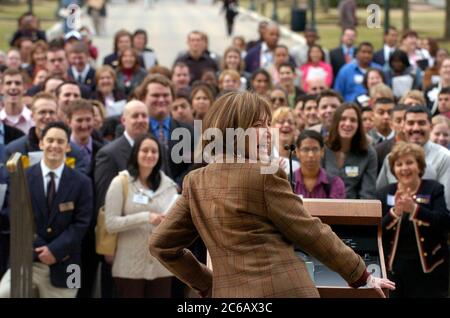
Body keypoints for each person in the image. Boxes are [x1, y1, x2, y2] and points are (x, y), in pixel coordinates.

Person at [148, 91, 395, 298]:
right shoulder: (264, 174)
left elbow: (161, 245)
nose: (268, 132)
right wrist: (361, 274)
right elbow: (310, 231)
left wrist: (208, 283)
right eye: (258, 125)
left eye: (268, 124)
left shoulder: (194, 181)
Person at [0, 121, 92, 298]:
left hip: (68, 264)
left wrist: (55, 250)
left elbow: (82, 224)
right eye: (50, 140)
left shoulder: (82, 182)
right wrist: (41, 247)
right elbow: (16, 217)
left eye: (60, 141)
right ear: (41, 143)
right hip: (27, 260)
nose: (54, 146)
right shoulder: (21, 177)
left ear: (67, 147)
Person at [105, 133, 178, 298]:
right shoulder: (121, 182)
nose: (150, 155)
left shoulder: (170, 186)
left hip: (161, 267)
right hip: (129, 266)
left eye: (154, 151)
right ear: (136, 153)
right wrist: (146, 217)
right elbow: (110, 223)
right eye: (145, 150)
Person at [377, 142, 450, 298]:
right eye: (399, 164)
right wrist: (396, 212)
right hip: (394, 270)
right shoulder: (385, 192)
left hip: (430, 269)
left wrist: (415, 210)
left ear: (420, 166)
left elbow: (444, 221)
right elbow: (378, 231)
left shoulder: (434, 188)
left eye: (410, 162)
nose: (404, 168)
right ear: (393, 169)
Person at [322, 103, 377, 199]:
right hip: (323, 208)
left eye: (353, 120)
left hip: (354, 210)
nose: (348, 124)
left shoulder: (368, 153)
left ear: (358, 125)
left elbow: (367, 194)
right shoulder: (322, 149)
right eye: (343, 119)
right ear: (336, 122)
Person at [294, 130, 345, 199]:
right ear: (297, 152)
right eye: (305, 149)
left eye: (315, 149)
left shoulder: (335, 183)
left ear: (322, 152)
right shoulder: (287, 182)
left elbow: (336, 209)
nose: (311, 155)